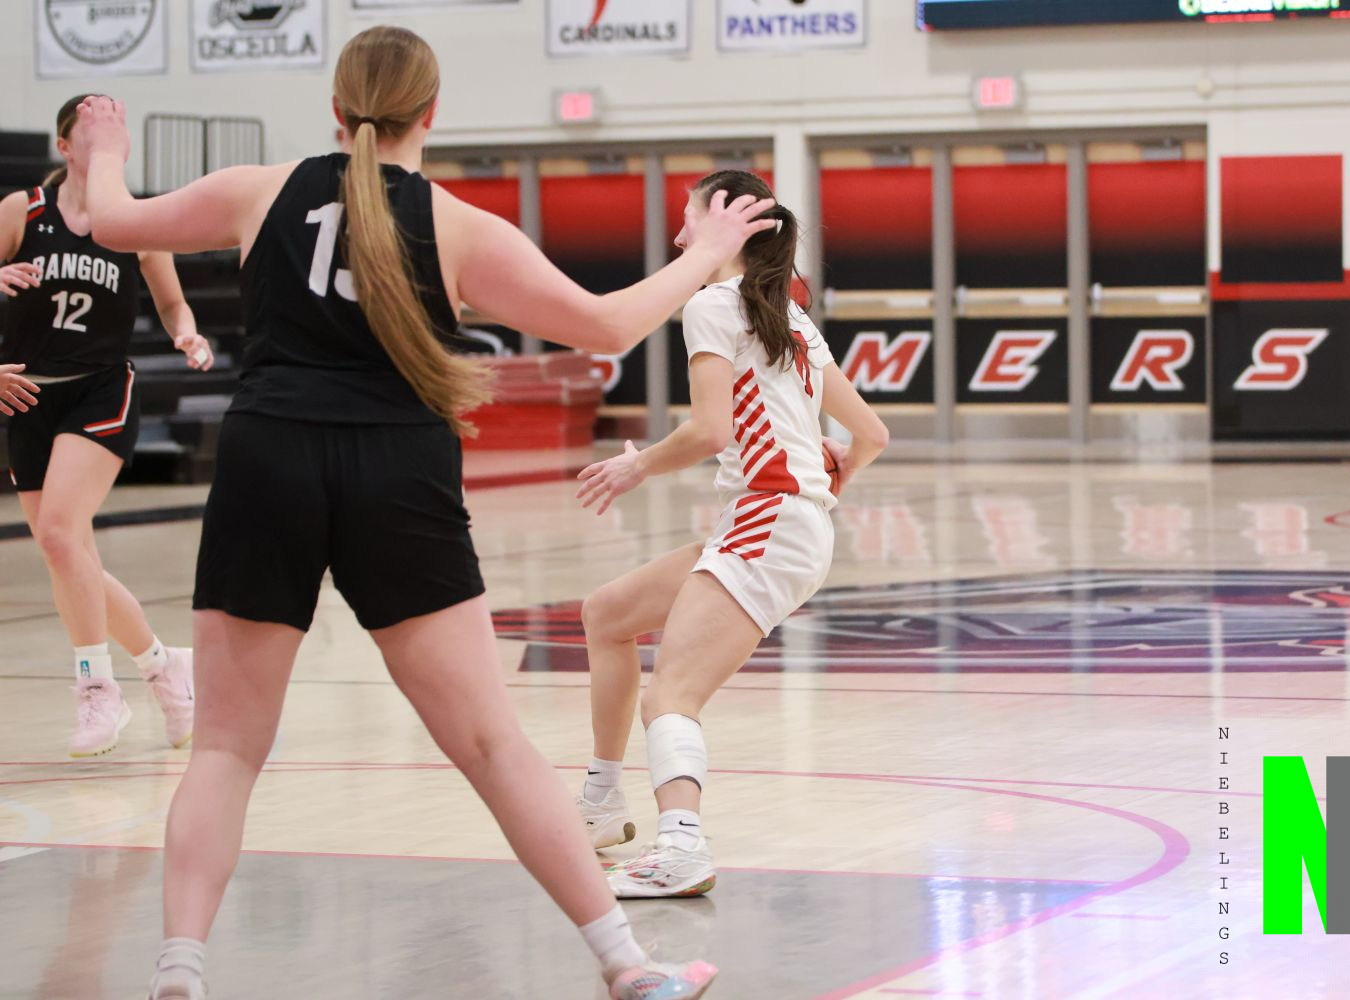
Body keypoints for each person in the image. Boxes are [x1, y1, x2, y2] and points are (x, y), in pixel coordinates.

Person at [71, 25, 773, 1000]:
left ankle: (179, 974)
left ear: (335, 107)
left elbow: (109, 222)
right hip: (397, 470)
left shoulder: (258, 190)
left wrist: (103, 145)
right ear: (432, 113)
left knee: (226, 749)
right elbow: (609, 323)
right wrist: (715, 252)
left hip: (270, 456)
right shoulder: (458, 226)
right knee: (491, 744)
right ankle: (628, 967)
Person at [572, 170, 889, 898]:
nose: (679, 234)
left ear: (722, 225)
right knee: (607, 613)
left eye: (687, 218)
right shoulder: (789, 316)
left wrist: (636, 466)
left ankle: (681, 848)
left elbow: (710, 430)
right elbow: (871, 434)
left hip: (769, 519)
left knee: (671, 695)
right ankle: (599, 803)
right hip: (781, 521)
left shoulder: (712, 303)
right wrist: (834, 471)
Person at [0, 95, 210, 758]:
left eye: (115, 128)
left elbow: (173, 304)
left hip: (100, 390)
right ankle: (164, 667)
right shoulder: (21, 210)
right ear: (66, 145)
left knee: (61, 535)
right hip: (27, 395)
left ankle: (97, 688)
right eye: (93, 128)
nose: (107, 137)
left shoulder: (134, 221)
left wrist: (187, 334)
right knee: (70, 555)